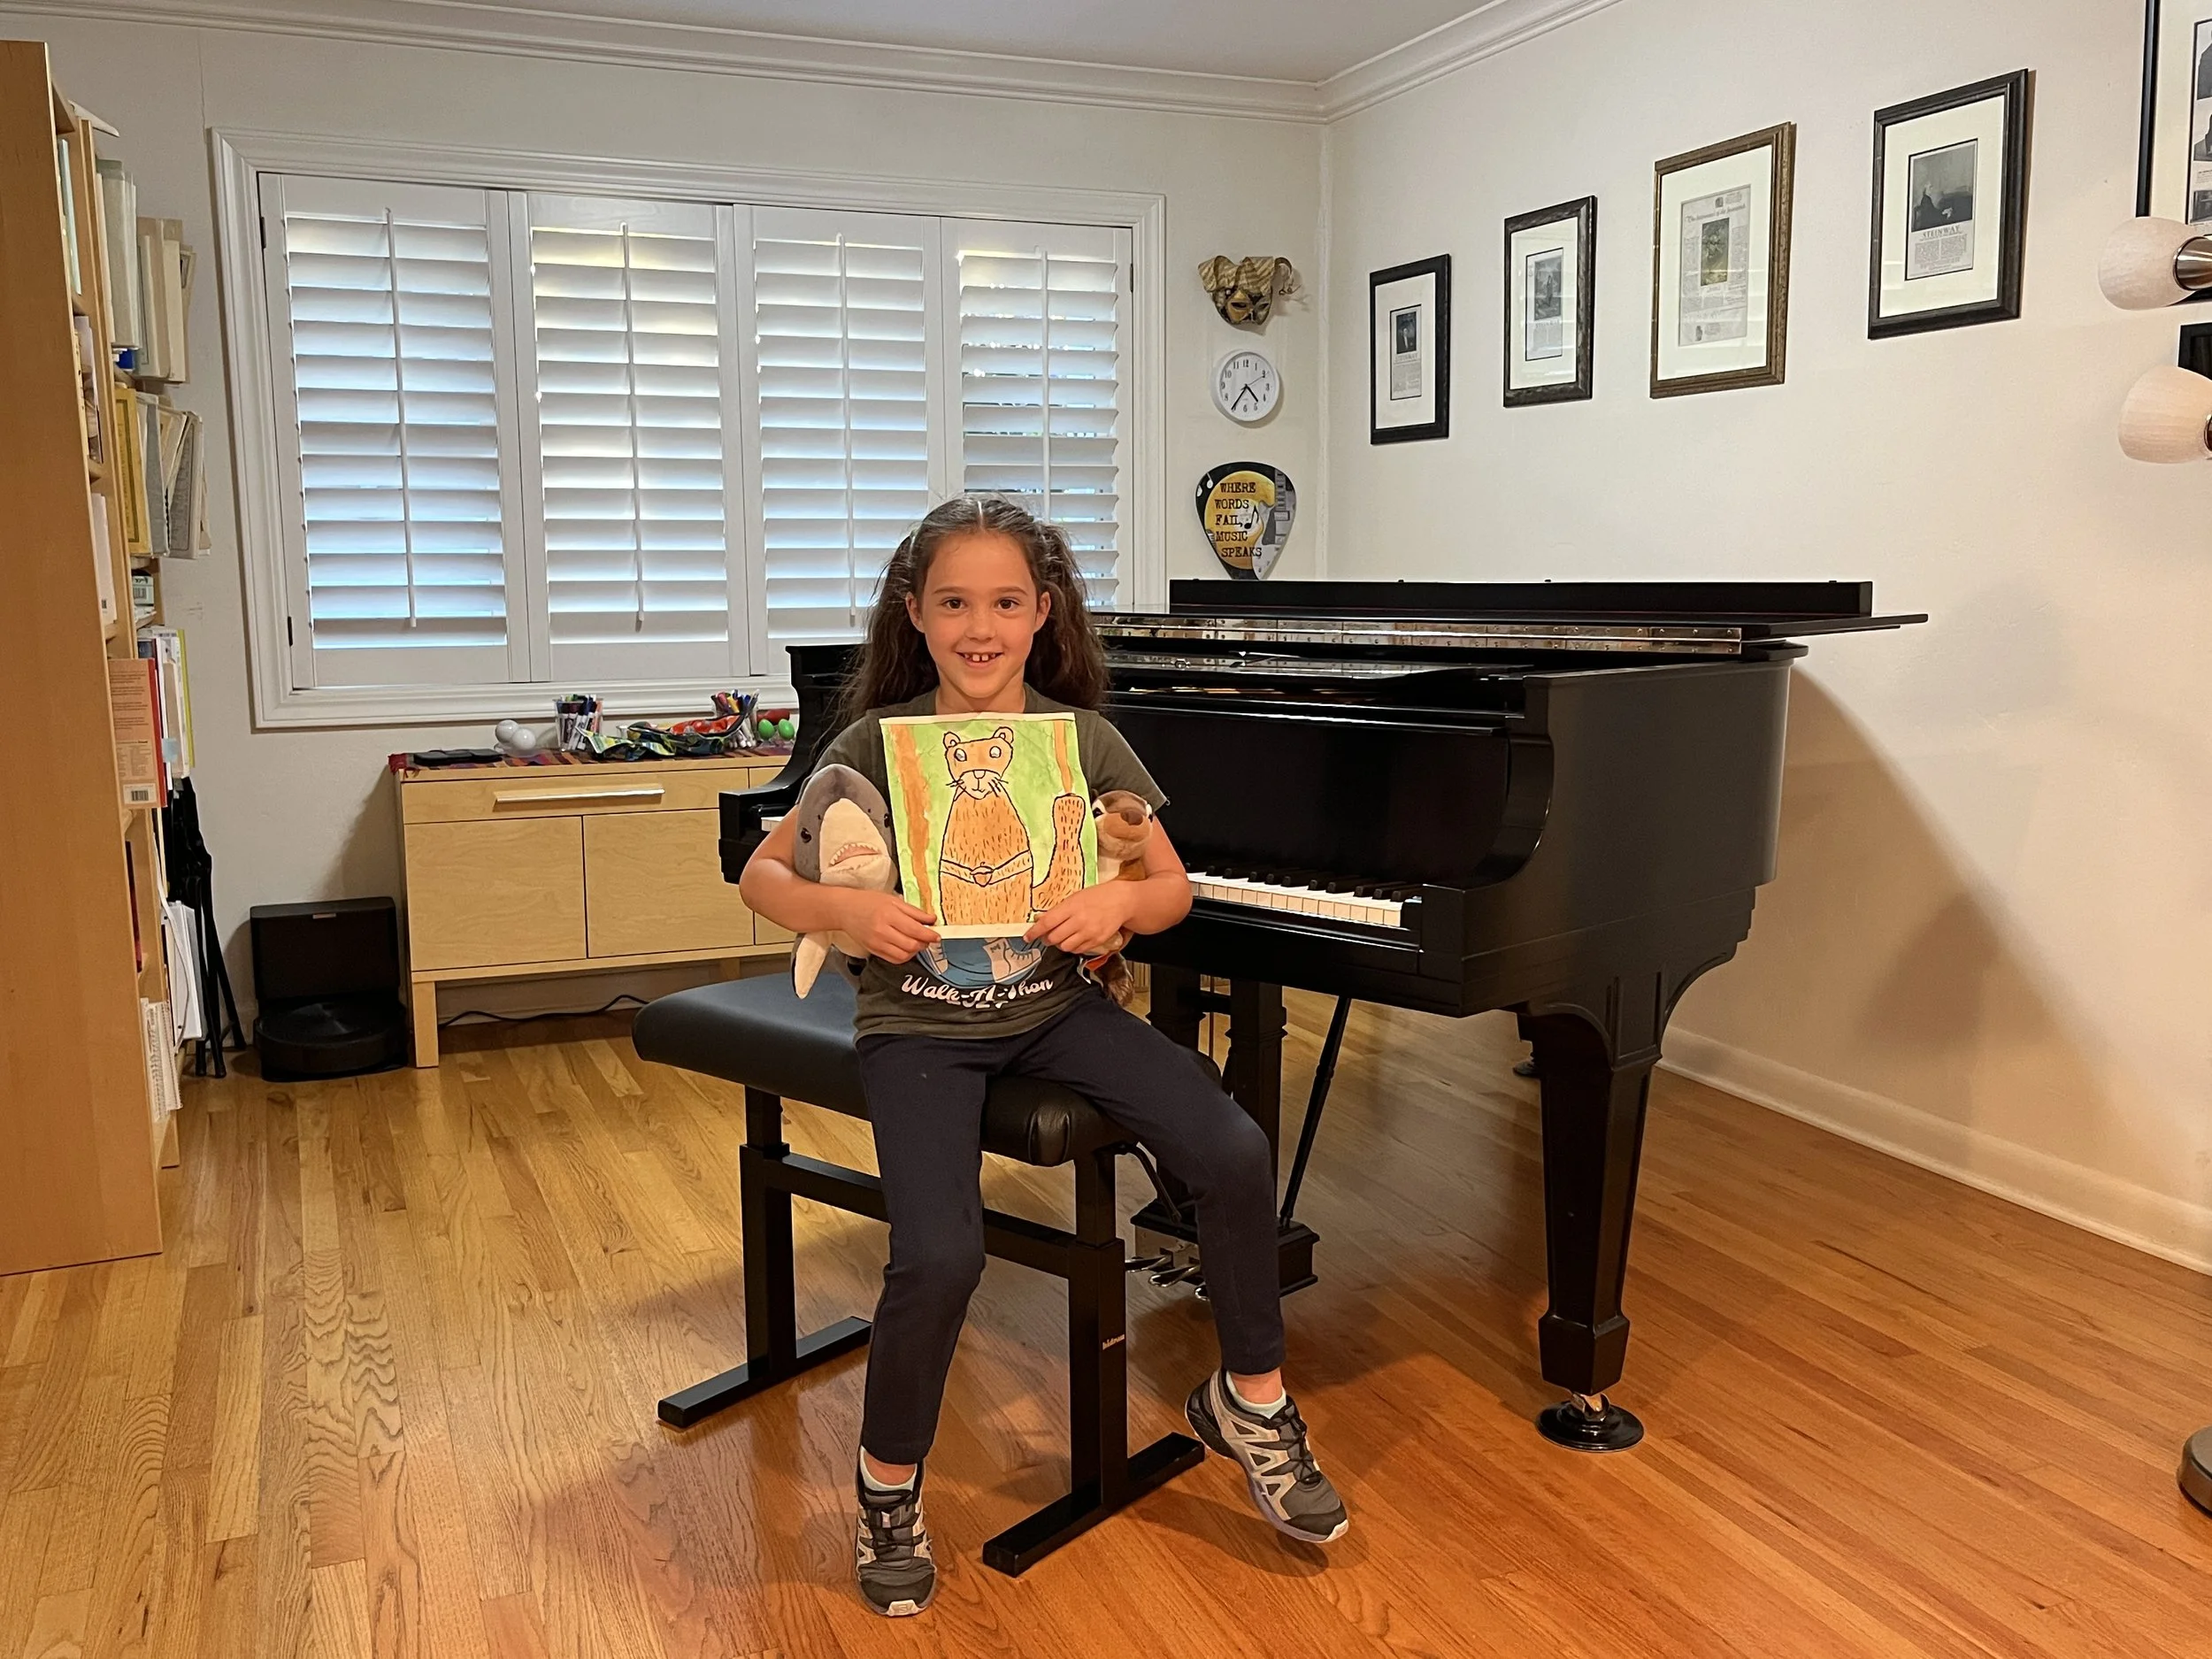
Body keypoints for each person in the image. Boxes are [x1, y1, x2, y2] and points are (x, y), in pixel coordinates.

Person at [740, 496, 1348, 1617]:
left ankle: (1250, 1399)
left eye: (1006, 602)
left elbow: (1169, 887)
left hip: (1059, 1007)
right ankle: (885, 1484)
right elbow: (761, 879)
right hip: (918, 1025)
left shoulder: (1082, 741)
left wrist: (1110, 911)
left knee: (1229, 1144)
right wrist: (841, 908)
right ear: (914, 614)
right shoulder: (876, 741)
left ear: (1042, 612)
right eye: (956, 603)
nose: (981, 626)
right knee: (939, 1254)